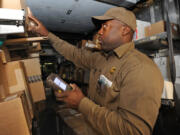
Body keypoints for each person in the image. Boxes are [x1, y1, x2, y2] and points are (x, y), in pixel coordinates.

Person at [29, 7, 164, 135]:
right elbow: (74, 53)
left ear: (124, 30)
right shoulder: (101, 58)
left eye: (105, 26)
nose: (99, 32)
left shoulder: (140, 68)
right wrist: (47, 35)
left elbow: (133, 130)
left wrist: (81, 103)